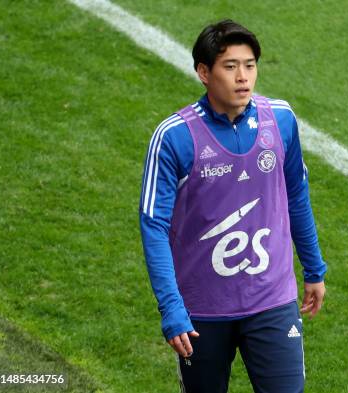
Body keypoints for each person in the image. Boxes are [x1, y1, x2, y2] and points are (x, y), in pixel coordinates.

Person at [139, 19, 327, 393]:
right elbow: (153, 225)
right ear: (203, 73)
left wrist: (314, 268)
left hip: (271, 299)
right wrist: (171, 308)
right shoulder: (174, 137)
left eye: (250, 65)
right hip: (201, 311)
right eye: (230, 66)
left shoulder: (282, 120)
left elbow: (296, 195)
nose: (243, 77)